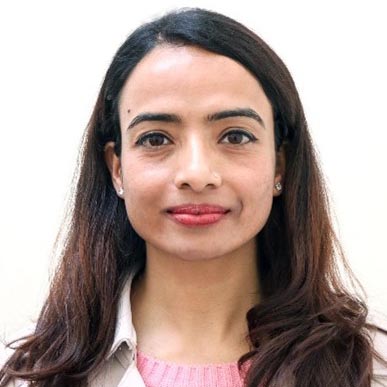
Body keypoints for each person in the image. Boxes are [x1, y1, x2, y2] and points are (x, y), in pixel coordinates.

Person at [1, 7, 386, 387]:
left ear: (279, 165)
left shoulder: (370, 371)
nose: (197, 174)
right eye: (156, 139)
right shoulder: (28, 374)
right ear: (117, 169)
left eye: (235, 136)